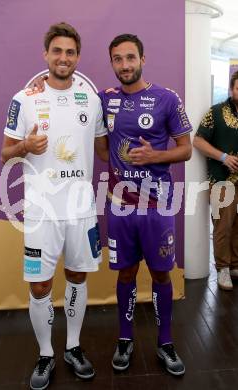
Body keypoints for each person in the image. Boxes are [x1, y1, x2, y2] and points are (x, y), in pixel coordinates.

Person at [1, 22, 108, 390]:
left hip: (81, 210)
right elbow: (5, 153)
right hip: (40, 213)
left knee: (78, 276)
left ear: (78, 57)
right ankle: (46, 353)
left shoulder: (92, 99)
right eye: (57, 51)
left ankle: (73, 347)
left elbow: (104, 149)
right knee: (40, 286)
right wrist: (24, 148)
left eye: (71, 52)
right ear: (46, 54)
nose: (64, 58)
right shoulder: (24, 99)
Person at [98, 34, 192, 376]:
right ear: (112, 63)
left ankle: (165, 341)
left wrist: (156, 155)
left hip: (158, 206)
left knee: (160, 273)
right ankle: (125, 338)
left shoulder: (167, 98)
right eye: (118, 59)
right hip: (120, 206)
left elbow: (186, 149)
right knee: (125, 271)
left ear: (142, 58)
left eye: (130, 58)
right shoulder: (105, 100)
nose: (124, 65)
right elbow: (102, 148)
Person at [193, 71, 238, 291]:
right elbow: (198, 141)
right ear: (232, 89)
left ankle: (235, 265)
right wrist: (223, 157)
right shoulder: (216, 112)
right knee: (223, 224)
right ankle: (223, 269)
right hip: (221, 178)